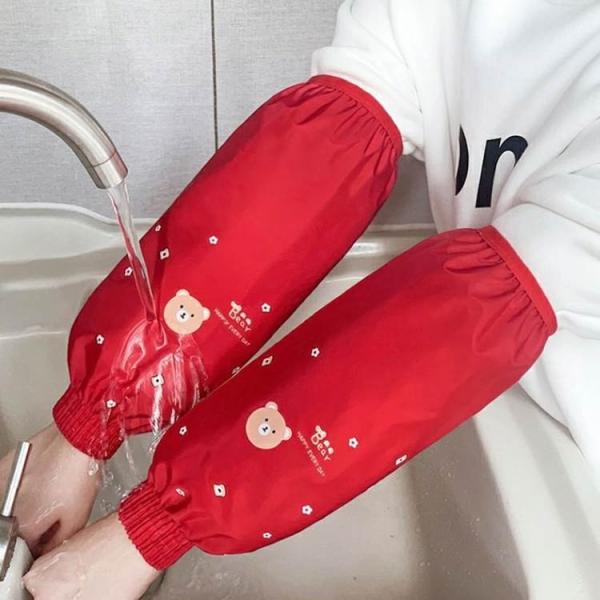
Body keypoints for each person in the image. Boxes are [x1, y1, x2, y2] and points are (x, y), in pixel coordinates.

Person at [2, 0, 600, 597]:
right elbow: (324, 148)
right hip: (506, 382)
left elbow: (481, 309)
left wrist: (150, 529)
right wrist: (82, 429)